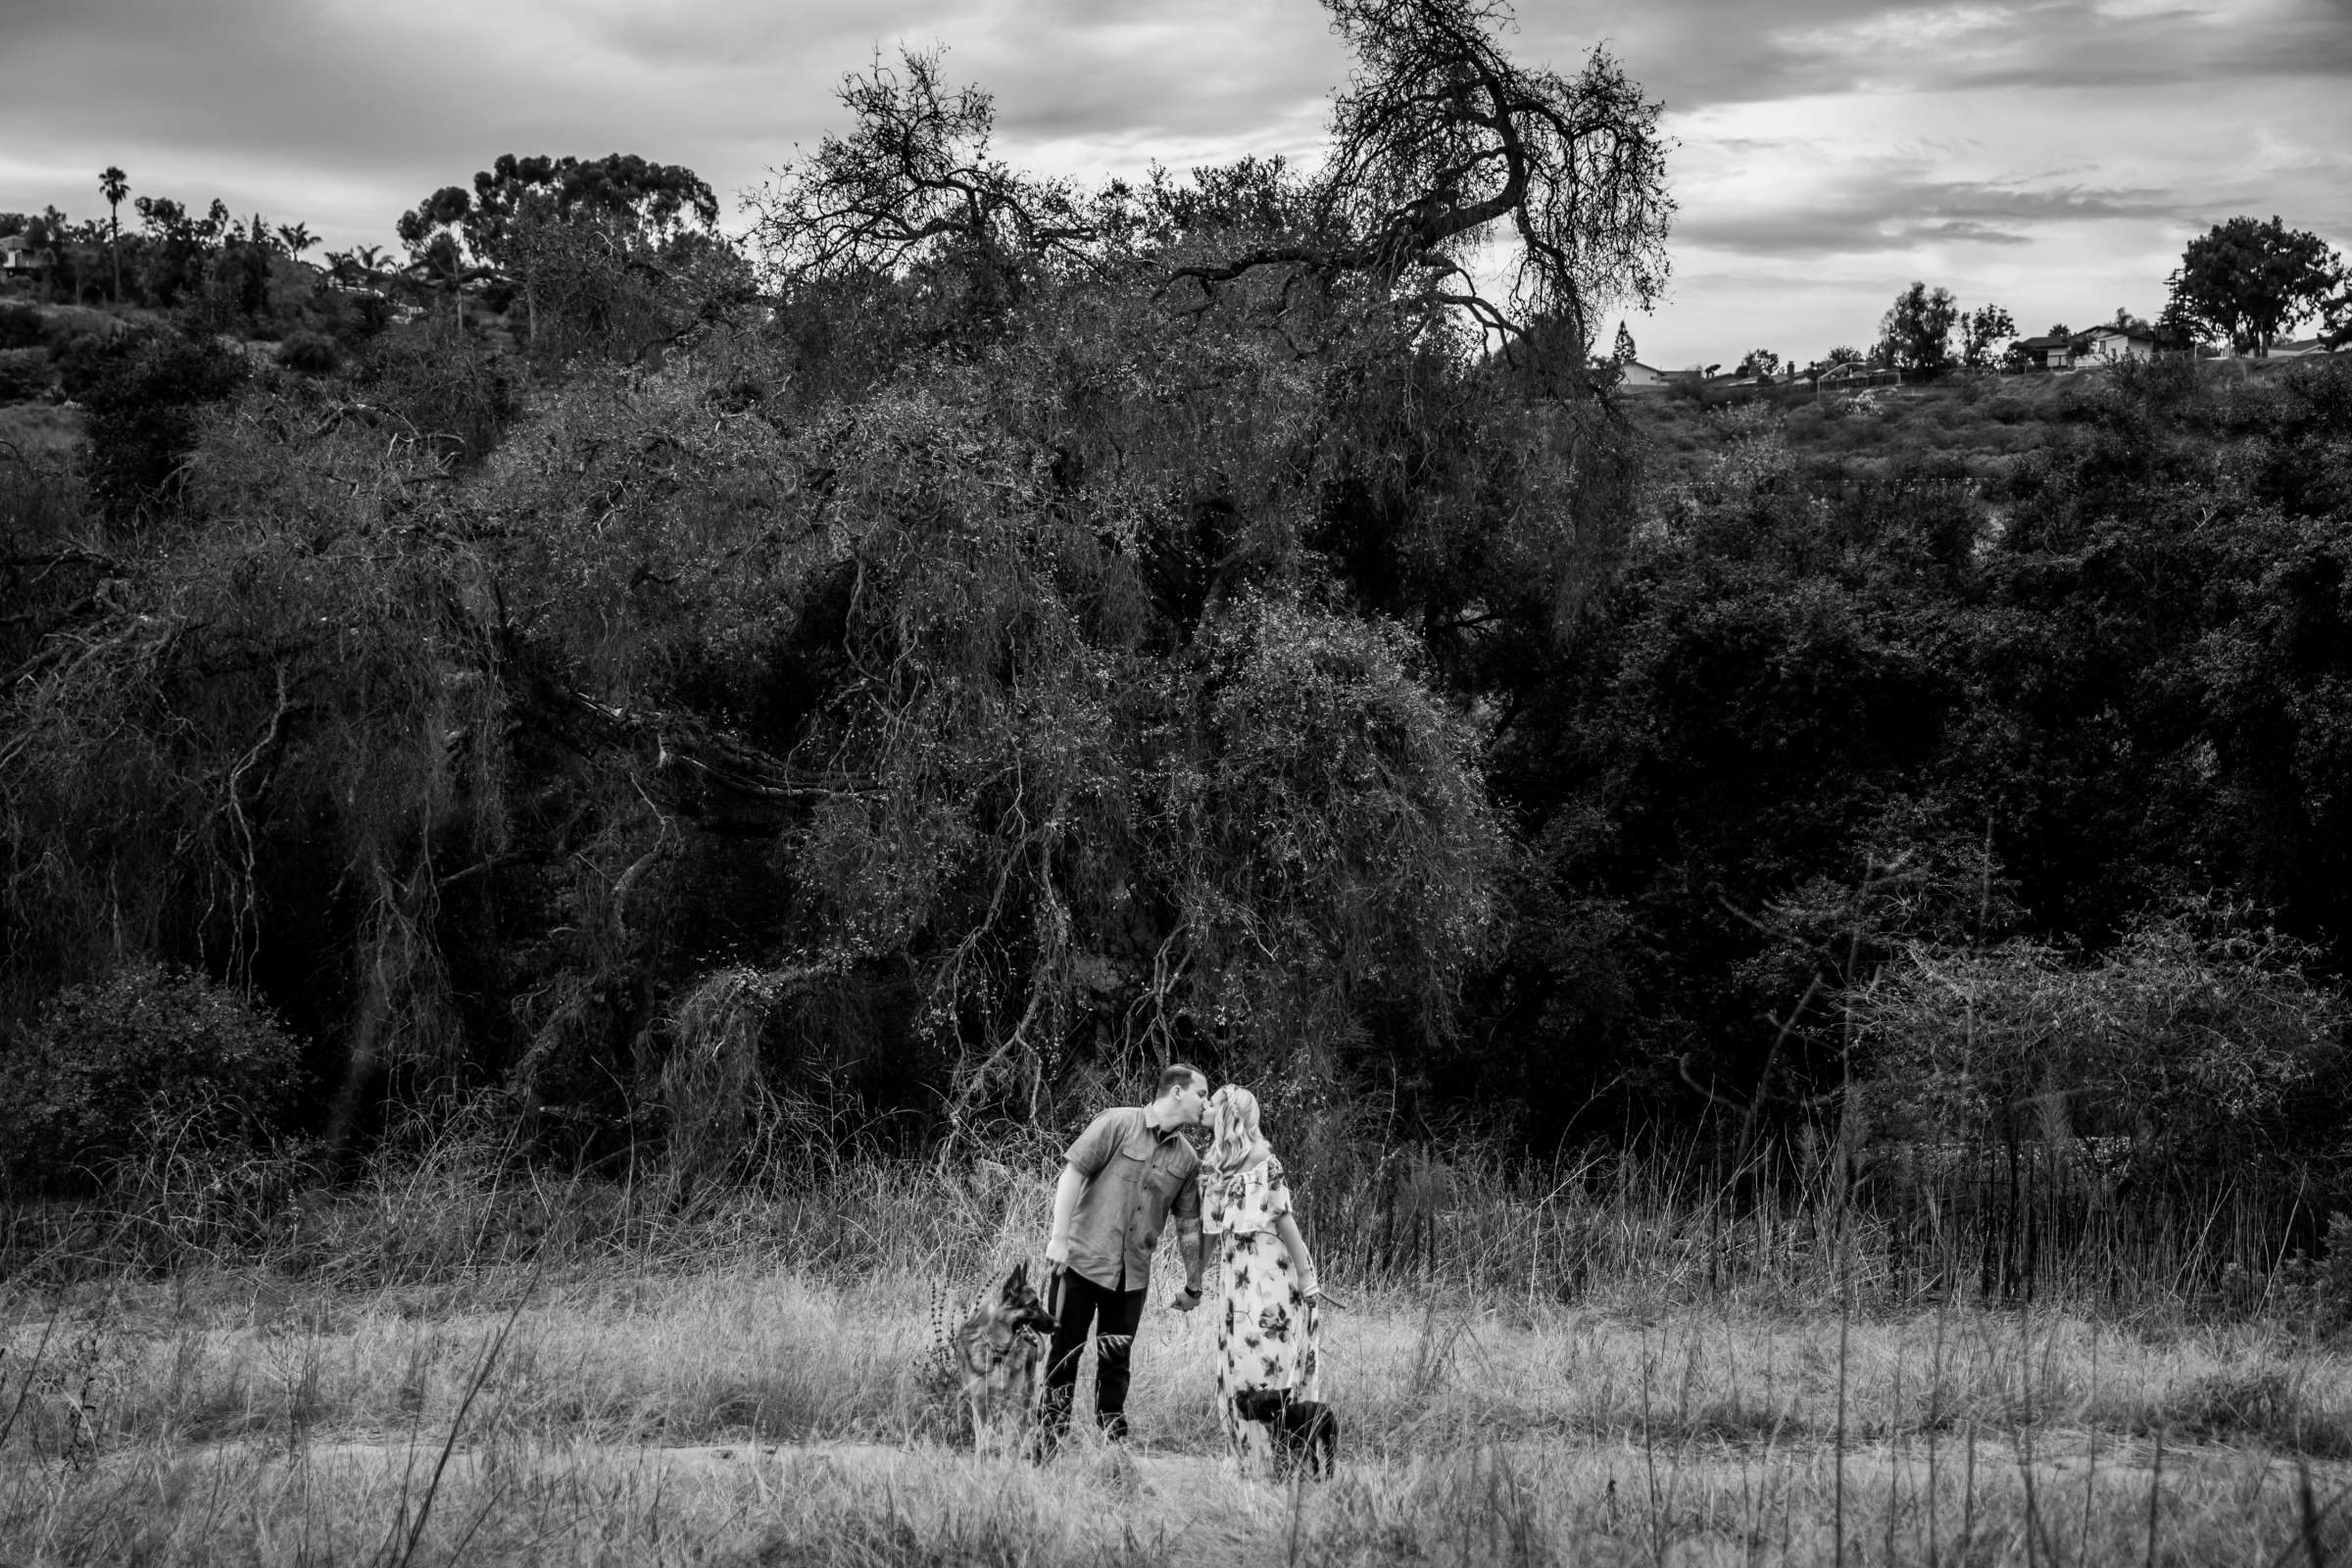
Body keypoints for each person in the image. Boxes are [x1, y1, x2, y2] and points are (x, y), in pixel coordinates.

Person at [1041, 1063, 1209, 1446]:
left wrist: (1194, 1282)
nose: (1205, 1103)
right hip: (1080, 1263)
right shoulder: (1116, 1123)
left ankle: (1111, 1452)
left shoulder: (1187, 1159)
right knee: (1064, 1355)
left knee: (1116, 1363)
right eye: (1201, 1094)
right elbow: (1073, 1174)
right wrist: (1059, 1238)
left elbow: (1187, 1225)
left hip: (1131, 1277)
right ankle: (1046, 1446)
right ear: (1177, 1092)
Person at [1200, 1083, 1321, 1473]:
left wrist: (1306, 1275)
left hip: (1270, 1276)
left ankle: (1281, 1458)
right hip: (1235, 1280)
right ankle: (1248, 1459)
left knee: (1267, 1364)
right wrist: (1194, 1280)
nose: (1204, 1108)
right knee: (1236, 1364)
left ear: (1227, 1114)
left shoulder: (1262, 1157)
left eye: (1212, 1104)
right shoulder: (1215, 1162)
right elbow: (1208, 1232)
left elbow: (1285, 1219)